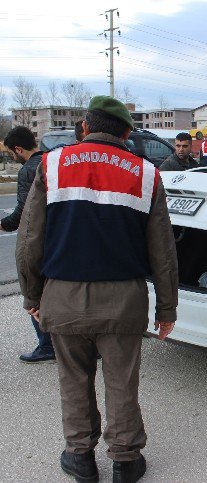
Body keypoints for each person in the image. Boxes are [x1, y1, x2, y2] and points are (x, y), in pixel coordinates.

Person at [16, 96, 179, 483]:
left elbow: (28, 240)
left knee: (73, 382)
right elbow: (164, 250)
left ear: (85, 127)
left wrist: (32, 296)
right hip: (124, 300)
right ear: (126, 134)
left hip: (63, 295)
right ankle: (125, 461)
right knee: (122, 383)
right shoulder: (146, 173)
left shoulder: (50, 165)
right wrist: (167, 309)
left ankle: (81, 459)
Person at [1, 126, 55, 363]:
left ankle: (47, 346)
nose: (12, 156)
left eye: (12, 152)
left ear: (18, 149)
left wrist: (4, 224)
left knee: (34, 292)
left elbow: (25, 212)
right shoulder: (52, 162)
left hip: (37, 241)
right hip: (57, 239)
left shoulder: (28, 171)